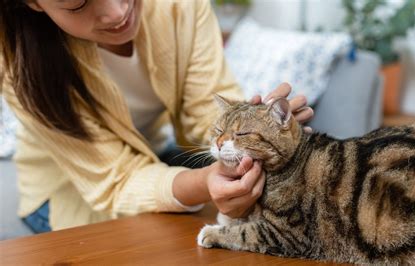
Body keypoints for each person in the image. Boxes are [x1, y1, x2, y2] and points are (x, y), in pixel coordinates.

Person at [0, 0, 314, 233]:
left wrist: (251, 131)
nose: (116, 13)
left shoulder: (179, 7)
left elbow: (208, 109)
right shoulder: (20, 66)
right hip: (70, 190)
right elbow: (116, 181)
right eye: (78, 3)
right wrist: (203, 182)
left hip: (155, 153)